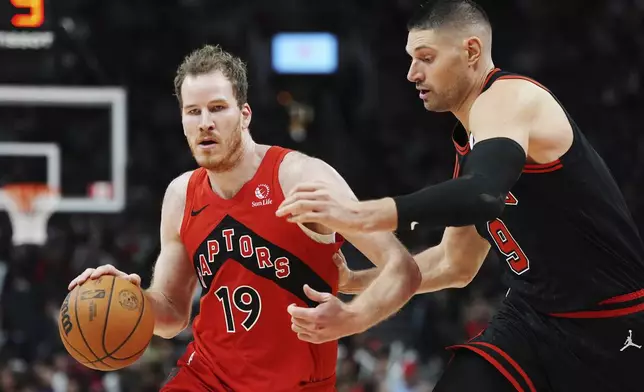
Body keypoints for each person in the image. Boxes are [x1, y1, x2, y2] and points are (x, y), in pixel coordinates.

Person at [276, 1, 644, 391]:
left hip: (609, 322)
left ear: (470, 52)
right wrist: (356, 280)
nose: (412, 73)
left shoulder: (510, 98)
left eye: (426, 58)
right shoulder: (471, 145)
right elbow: (455, 263)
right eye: (410, 59)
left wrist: (361, 215)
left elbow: (484, 194)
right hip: (531, 318)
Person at [67, 45, 421, 392]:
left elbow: (402, 268)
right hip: (206, 378)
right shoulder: (180, 195)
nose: (205, 123)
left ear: (245, 114)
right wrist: (129, 300)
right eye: (193, 112)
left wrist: (353, 319)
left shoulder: (302, 178)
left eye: (218, 108)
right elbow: (173, 313)